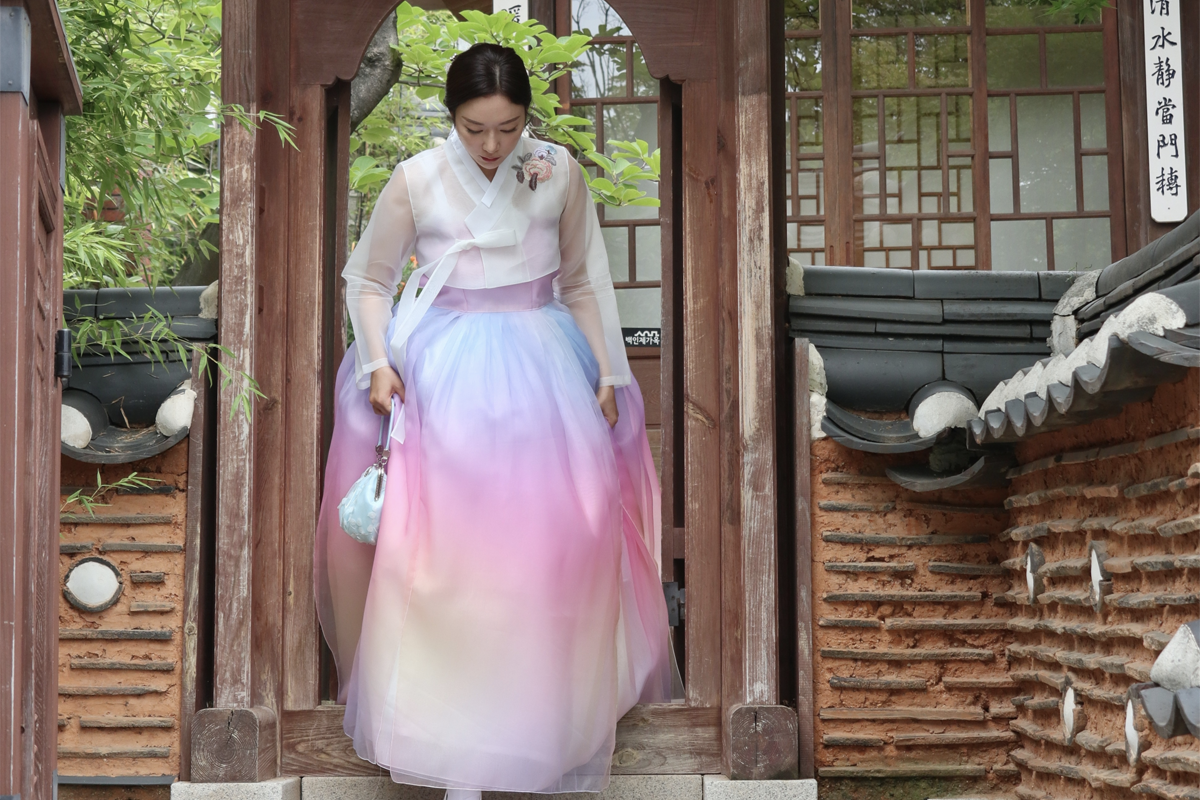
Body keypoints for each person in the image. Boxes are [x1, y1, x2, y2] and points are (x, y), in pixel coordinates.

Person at [314, 42, 672, 798]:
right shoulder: (417, 179)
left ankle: (543, 728)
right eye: (476, 127)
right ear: (452, 116)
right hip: (446, 372)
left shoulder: (558, 172)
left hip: (544, 363)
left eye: (509, 128)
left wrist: (609, 370)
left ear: (526, 120)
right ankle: (450, 750)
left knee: (553, 545)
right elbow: (368, 280)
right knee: (447, 561)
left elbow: (582, 278)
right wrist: (379, 361)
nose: (492, 146)